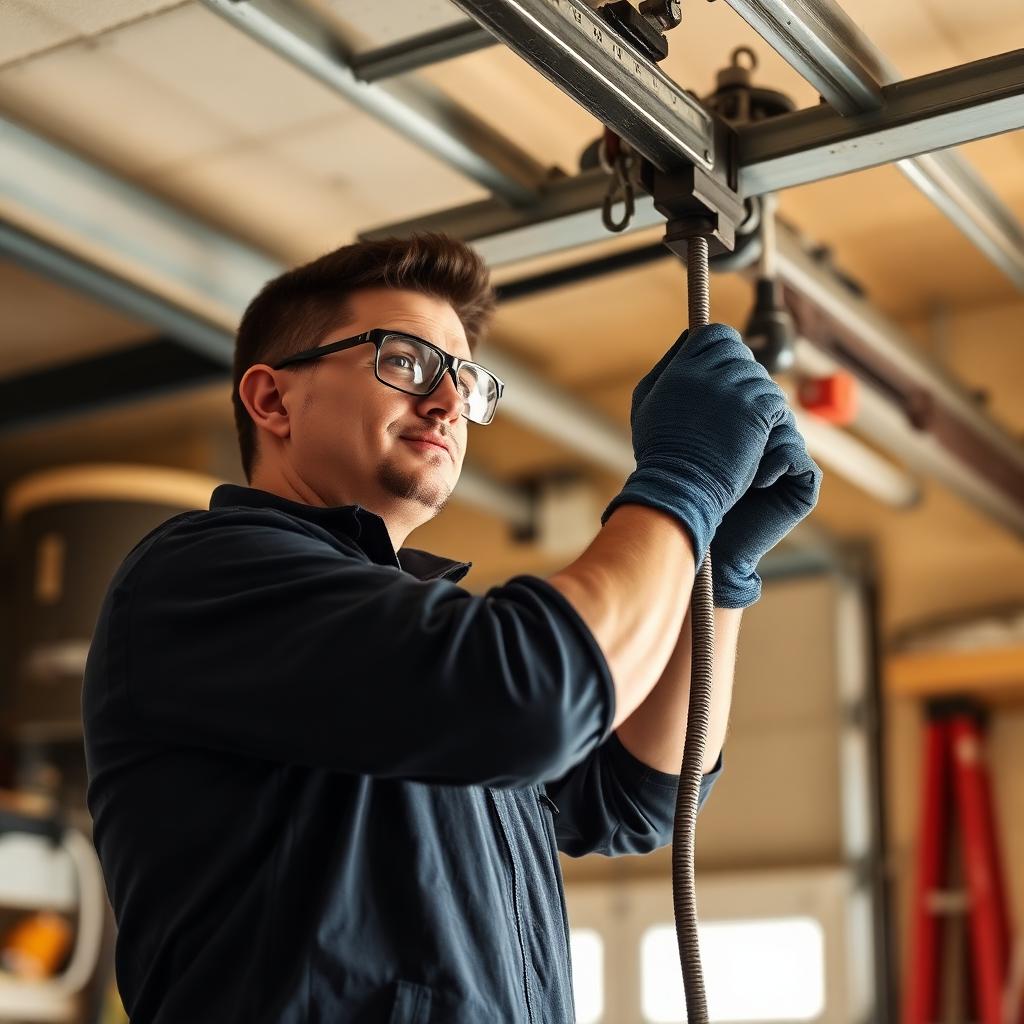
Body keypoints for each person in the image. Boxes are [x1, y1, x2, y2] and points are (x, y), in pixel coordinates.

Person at [82, 233, 820, 1023]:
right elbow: (540, 695)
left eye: (463, 379)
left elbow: (634, 796)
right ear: (272, 400)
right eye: (403, 362)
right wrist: (686, 482)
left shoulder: (423, 647)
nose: (445, 402)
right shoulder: (203, 577)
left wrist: (718, 575)